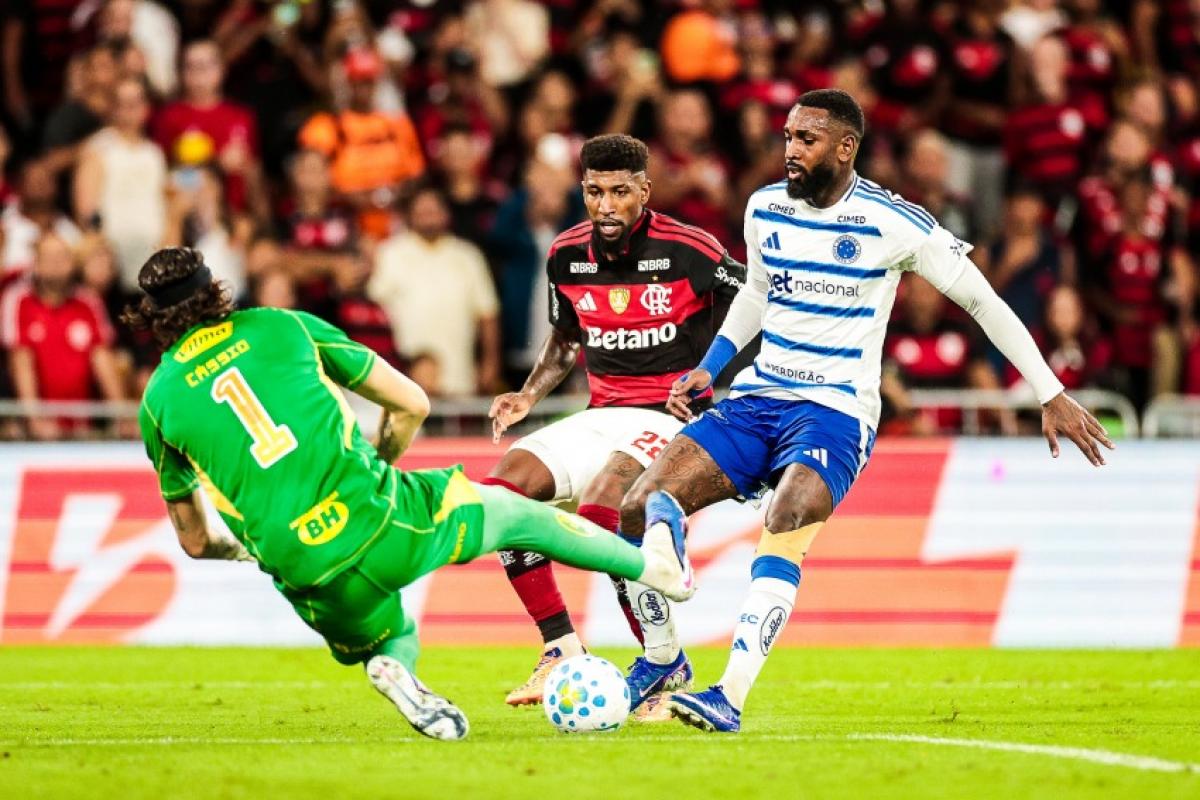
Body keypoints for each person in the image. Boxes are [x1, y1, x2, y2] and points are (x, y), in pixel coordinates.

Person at [620, 89, 1113, 733]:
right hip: (759, 398)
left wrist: (1049, 391)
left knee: (788, 514)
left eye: (807, 139)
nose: (790, 151)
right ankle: (662, 659)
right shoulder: (764, 207)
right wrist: (711, 367)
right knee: (638, 504)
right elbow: (759, 295)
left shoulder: (894, 221)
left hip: (835, 412)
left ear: (846, 147)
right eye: (789, 137)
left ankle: (728, 697)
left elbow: (983, 301)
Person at [122, 246, 695, 741]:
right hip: (377, 512)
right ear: (215, 289)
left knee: (393, 631)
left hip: (301, 567)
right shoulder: (281, 326)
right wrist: (383, 463)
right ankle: (656, 569)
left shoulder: (159, 400)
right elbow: (412, 403)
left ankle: (397, 672)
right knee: (513, 511)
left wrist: (244, 549)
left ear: (152, 317)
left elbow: (195, 541)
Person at [486, 134, 745, 708]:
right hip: (601, 413)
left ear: (644, 192)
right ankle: (560, 648)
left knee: (604, 509)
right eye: (595, 192)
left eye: (620, 192)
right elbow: (564, 339)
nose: (606, 206)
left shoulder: (690, 249)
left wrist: (711, 374)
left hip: (671, 418)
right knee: (502, 494)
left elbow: (755, 309)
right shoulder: (566, 254)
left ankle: (659, 660)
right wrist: (528, 395)